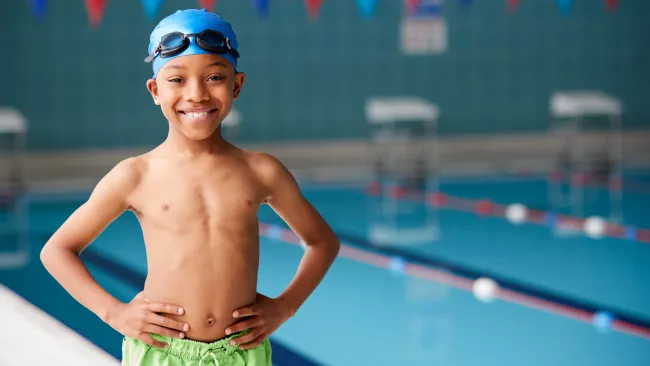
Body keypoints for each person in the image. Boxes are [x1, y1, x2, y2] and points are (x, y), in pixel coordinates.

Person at [40, 9, 340, 366]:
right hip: (162, 353)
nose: (196, 94)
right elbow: (57, 250)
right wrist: (114, 314)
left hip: (242, 352)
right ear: (155, 90)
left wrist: (284, 307)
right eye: (177, 80)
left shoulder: (261, 171)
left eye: (214, 77)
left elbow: (322, 242)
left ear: (237, 85)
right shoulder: (135, 175)